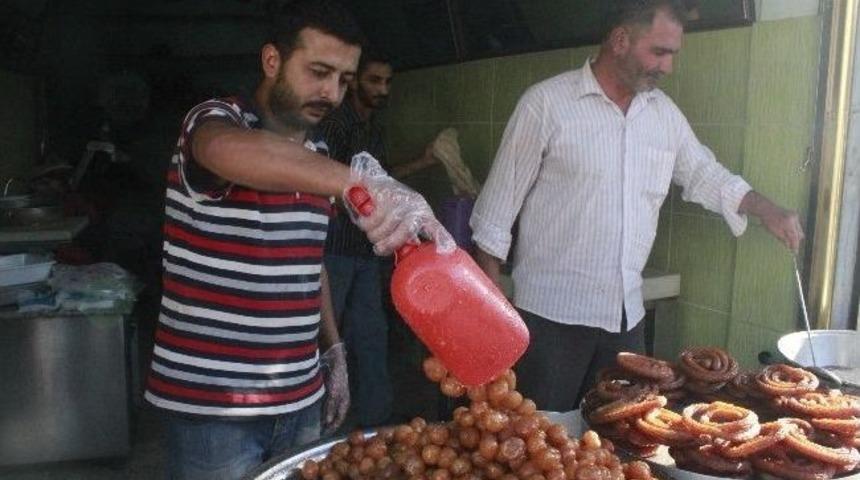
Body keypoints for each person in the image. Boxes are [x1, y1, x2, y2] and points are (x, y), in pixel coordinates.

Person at [143, 2, 452, 478]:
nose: (331, 92)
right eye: (319, 72)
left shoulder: (320, 153)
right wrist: (363, 182)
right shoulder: (214, 121)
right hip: (216, 411)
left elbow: (310, 263)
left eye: (344, 80)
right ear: (272, 61)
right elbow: (227, 152)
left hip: (300, 401)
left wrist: (333, 350)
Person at [470, 0, 804, 412]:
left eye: (672, 55)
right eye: (659, 52)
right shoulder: (547, 105)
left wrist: (765, 208)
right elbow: (494, 216)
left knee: (618, 442)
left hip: (626, 320)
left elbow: (703, 172)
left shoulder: (662, 115)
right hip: (550, 321)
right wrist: (489, 325)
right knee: (541, 441)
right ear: (621, 40)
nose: (667, 67)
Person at [314, 49, 438, 428]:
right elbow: (322, 181)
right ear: (353, 82)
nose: (382, 90)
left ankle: (375, 423)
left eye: (387, 82)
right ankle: (319, 423)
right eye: (374, 80)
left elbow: (378, 183)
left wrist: (422, 163)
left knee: (371, 335)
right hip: (333, 249)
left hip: (366, 252)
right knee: (323, 338)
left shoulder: (374, 129)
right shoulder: (334, 127)